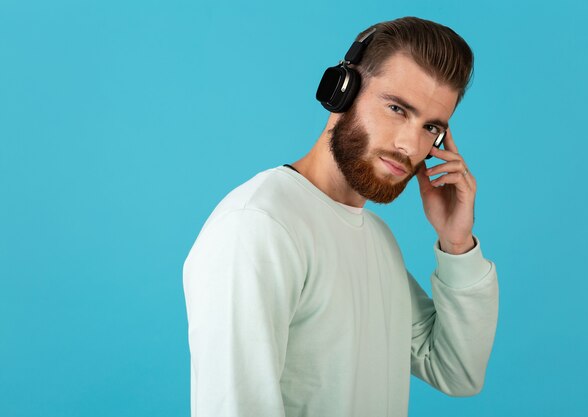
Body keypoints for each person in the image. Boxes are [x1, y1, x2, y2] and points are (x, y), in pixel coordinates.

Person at [183, 16, 499, 417]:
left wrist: (457, 245)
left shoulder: (376, 239)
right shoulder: (259, 227)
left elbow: (456, 371)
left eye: (430, 127)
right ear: (342, 91)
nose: (409, 144)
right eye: (397, 108)